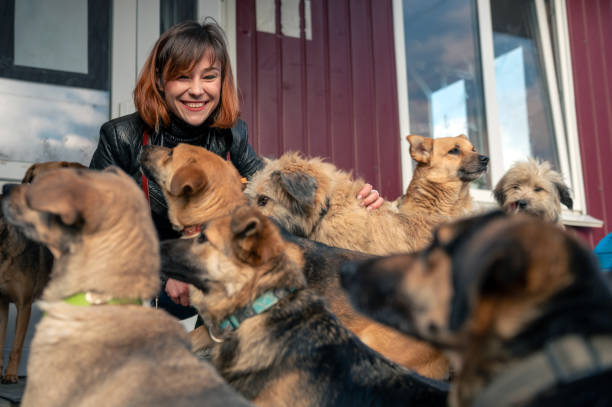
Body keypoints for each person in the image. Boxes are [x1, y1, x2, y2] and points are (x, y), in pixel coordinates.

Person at [89, 20, 384, 318]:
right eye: (182, 77)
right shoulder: (121, 137)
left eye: (209, 77)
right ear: (160, 80)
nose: (196, 90)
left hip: (205, 281)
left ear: (221, 81)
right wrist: (174, 268)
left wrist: (349, 205)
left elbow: (269, 205)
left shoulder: (232, 135)